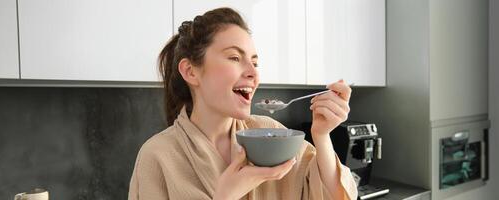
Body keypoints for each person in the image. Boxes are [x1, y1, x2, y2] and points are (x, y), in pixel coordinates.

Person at [128, 7, 357, 200]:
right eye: (235, 58)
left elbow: (331, 194)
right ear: (190, 71)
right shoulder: (157, 156)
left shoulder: (272, 134)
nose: (252, 73)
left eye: (255, 63)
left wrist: (322, 135)